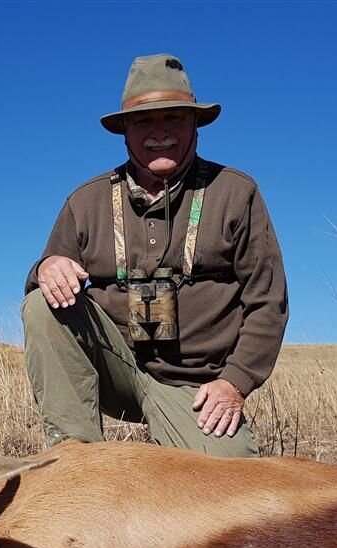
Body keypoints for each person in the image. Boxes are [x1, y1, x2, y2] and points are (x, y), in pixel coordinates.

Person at [21, 53, 288, 457]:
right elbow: (44, 287)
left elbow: (268, 301)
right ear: (125, 132)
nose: (158, 132)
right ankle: (76, 460)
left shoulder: (236, 192)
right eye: (144, 120)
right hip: (117, 371)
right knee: (43, 305)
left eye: (173, 118)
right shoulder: (85, 200)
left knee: (231, 492)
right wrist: (46, 267)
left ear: (195, 125)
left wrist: (235, 382)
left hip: (196, 388)